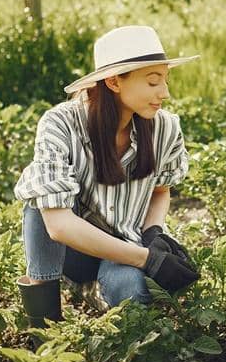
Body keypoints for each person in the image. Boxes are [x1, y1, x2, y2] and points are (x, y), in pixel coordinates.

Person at [14, 25, 201, 333]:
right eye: (153, 81)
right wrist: (147, 259)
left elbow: (160, 190)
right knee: (39, 203)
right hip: (73, 251)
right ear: (114, 81)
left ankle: (100, 298)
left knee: (130, 292)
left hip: (127, 243)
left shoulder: (165, 128)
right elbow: (58, 226)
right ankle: (44, 336)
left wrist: (153, 233)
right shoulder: (61, 124)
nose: (164, 92)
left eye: (165, 80)